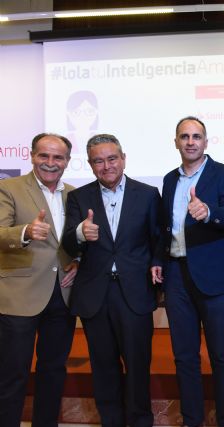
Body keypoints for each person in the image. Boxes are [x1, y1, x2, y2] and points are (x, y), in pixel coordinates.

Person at [62, 134, 161, 427]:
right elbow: (68, 243)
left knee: (138, 365)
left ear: (123, 159)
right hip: (96, 295)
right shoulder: (79, 197)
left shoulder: (148, 194)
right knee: (103, 367)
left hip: (134, 292)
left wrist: (157, 266)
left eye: (112, 158)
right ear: (90, 164)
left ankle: (140, 421)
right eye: (98, 161)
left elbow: (158, 240)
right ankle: (111, 421)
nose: (106, 166)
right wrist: (80, 233)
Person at [151, 116, 224, 427]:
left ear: (206, 141)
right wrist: (157, 259)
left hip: (214, 276)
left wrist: (208, 213)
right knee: (184, 356)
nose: (191, 142)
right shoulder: (169, 179)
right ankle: (192, 420)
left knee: (222, 356)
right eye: (185, 136)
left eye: (196, 136)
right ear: (176, 142)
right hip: (176, 275)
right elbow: (164, 227)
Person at [0, 133, 77, 427]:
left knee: (53, 371)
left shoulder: (74, 194)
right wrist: (25, 232)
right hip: (19, 296)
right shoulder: (9, 188)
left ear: (67, 161)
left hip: (63, 295)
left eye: (58, 157)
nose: (50, 163)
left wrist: (79, 262)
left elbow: (75, 240)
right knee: (12, 373)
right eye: (44, 155)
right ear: (31, 156)